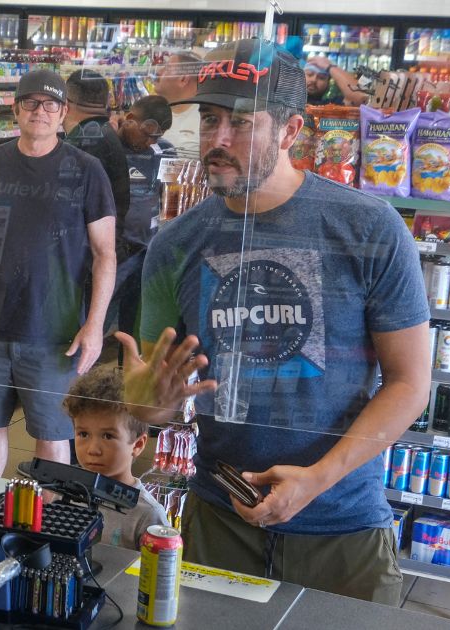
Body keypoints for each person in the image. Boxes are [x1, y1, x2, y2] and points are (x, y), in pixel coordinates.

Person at [121, 39, 429, 603]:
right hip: (220, 521)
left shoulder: (370, 229)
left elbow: (409, 383)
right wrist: (148, 399)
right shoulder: (175, 244)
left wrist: (319, 478)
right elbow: (154, 402)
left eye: (241, 123)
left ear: (290, 131)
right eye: (209, 118)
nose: (216, 140)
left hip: (344, 528)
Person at [0, 69, 116, 476]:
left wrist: (95, 325)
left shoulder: (86, 170)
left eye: (50, 103)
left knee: (52, 437)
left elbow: (104, 253)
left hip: (54, 334)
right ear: (15, 109)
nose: (40, 111)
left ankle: (45, 531)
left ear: (63, 113)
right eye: (31, 103)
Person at [63, 367, 169, 550]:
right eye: (83, 434)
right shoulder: (67, 496)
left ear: (137, 445)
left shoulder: (148, 515)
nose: (93, 450)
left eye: (108, 436)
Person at [112, 95, 174, 339]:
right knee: (101, 314)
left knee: (134, 321)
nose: (150, 142)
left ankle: (124, 368)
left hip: (146, 250)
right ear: (129, 119)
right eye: (147, 134)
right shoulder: (108, 148)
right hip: (113, 252)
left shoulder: (165, 151)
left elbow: (170, 199)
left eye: (156, 137)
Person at [62, 69, 131, 263]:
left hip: (85, 260)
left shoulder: (78, 145)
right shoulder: (106, 133)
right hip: (106, 251)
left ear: (65, 104)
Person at [154, 50, 203, 159]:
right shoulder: (152, 112)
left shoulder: (205, 119)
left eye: (167, 68)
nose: (158, 72)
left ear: (183, 79)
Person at [305, 56, 369, 106]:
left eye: (321, 78)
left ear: (328, 83)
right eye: (309, 74)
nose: (314, 80)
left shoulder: (329, 105)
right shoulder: (295, 101)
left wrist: (329, 67)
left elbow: (360, 97)